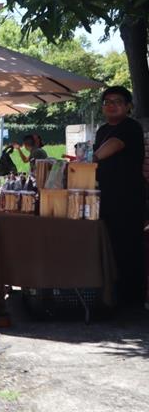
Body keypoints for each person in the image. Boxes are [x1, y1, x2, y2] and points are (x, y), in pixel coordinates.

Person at [92, 86, 147, 308]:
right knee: (109, 246)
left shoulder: (130, 127)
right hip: (105, 197)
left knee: (128, 248)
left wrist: (89, 158)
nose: (111, 105)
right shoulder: (102, 129)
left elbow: (110, 148)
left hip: (128, 199)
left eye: (117, 101)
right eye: (107, 102)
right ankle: (111, 295)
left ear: (128, 106)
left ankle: (132, 300)